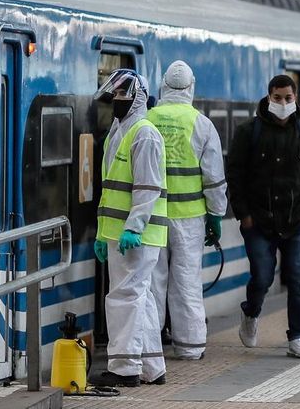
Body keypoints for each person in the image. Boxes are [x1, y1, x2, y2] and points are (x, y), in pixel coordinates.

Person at [227, 75, 300, 359]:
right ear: (268, 97)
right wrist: (243, 214)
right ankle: (251, 311)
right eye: (277, 98)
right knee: (262, 276)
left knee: (297, 278)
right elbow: (235, 174)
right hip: (257, 221)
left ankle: (296, 337)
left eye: (288, 98)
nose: (283, 103)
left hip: (296, 221)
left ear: (296, 99)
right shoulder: (249, 132)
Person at [90, 69, 168, 387]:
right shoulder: (119, 131)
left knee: (125, 297)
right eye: (115, 96)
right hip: (118, 232)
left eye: (123, 96)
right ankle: (152, 367)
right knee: (141, 297)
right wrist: (101, 233)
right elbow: (111, 189)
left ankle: (125, 368)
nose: (117, 102)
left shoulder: (144, 133)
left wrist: (134, 227)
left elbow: (148, 187)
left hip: (137, 234)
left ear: (137, 96)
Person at [147, 61, 227, 360]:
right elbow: (214, 178)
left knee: (152, 283)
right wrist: (216, 215)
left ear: (163, 86)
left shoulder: (147, 119)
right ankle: (190, 347)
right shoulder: (201, 124)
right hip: (189, 218)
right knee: (186, 282)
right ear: (191, 87)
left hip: (151, 217)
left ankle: (150, 348)